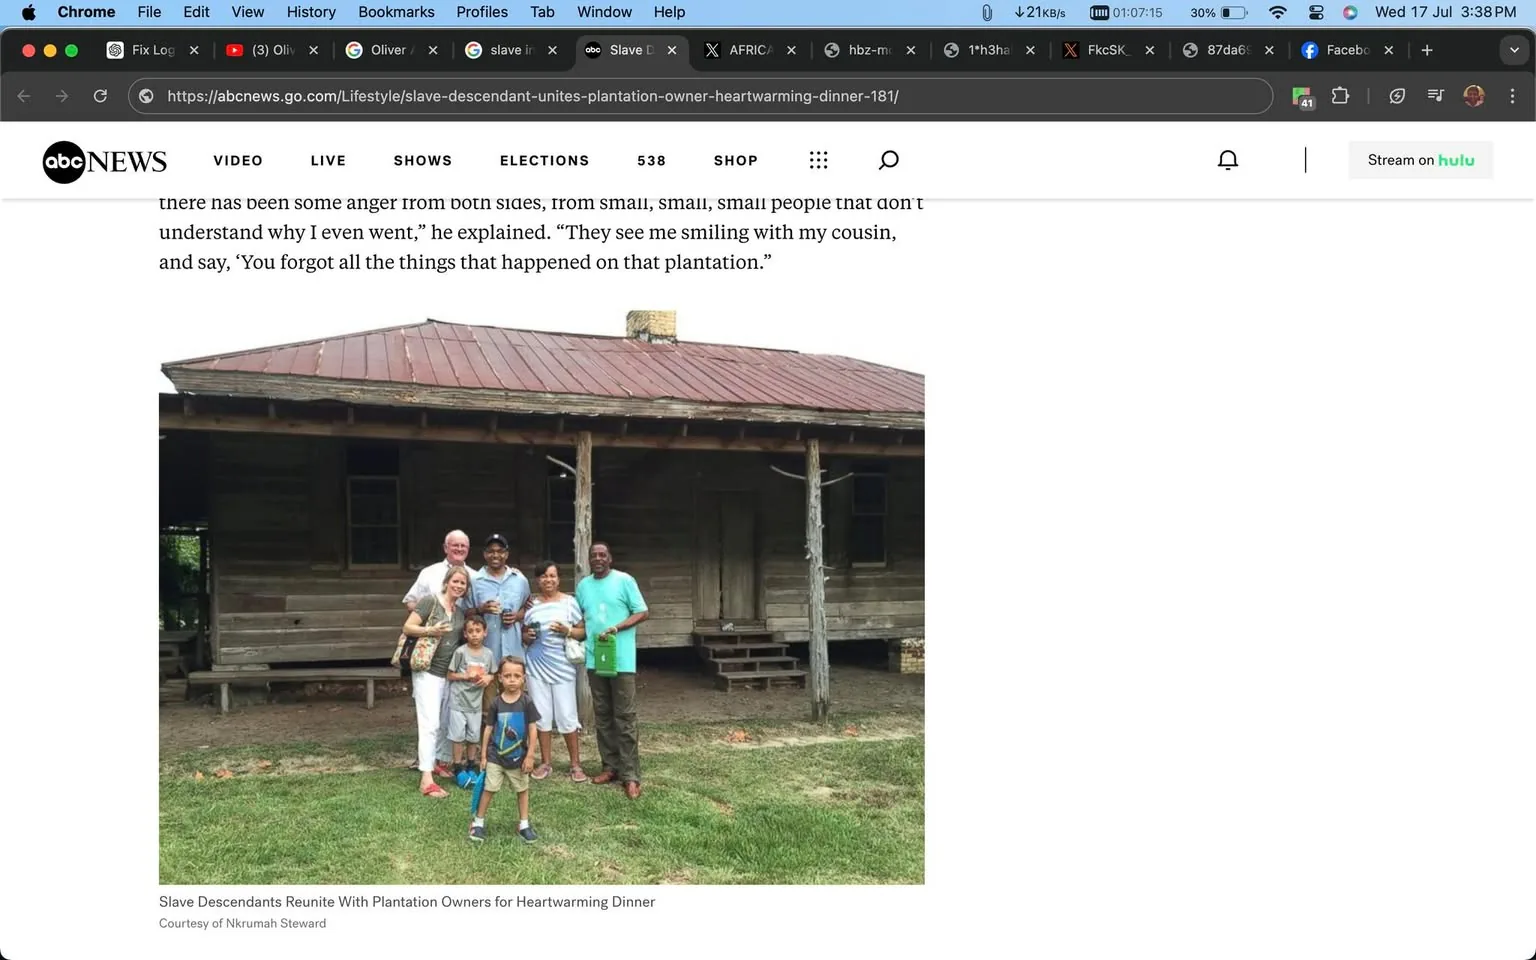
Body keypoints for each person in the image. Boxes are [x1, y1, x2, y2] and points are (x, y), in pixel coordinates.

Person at [400, 530, 478, 777]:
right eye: (454, 545)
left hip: (450, 666)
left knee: (445, 717)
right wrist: (431, 624)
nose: (458, 549)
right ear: (445, 547)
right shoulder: (429, 579)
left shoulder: (461, 603)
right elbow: (409, 612)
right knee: (430, 721)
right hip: (428, 666)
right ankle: (426, 773)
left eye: (463, 546)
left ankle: (438, 761)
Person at [574, 543, 649, 799]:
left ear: (609, 558)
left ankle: (631, 775)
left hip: (622, 660)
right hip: (596, 660)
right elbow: (584, 619)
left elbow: (642, 612)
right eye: (593, 555)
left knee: (625, 716)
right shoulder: (583, 587)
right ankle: (610, 767)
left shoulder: (624, 581)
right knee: (603, 715)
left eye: (602, 555)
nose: (597, 558)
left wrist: (617, 628)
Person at [519, 560, 587, 782]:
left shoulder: (570, 603)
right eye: (543, 576)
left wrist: (568, 630)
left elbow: (582, 632)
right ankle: (546, 762)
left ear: (559, 579)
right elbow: (525, 634)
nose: (548, 580)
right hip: (536, 667)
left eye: (552, 576)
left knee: (567, 715)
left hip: (563, 668)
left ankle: (575, 764)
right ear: (537, 580)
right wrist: (526, 637)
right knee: (542, 716)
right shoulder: (531, 606)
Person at [472, 657, 541, 844]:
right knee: (489, 789)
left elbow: (533, 729)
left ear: (523, 678)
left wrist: (530, 755)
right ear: (500, 678)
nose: (512, 679)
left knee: (522, 789)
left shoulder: (527, 702)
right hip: (496, 757)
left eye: (516, 676)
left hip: (518, 758)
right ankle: (478, 823)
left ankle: (524, 825)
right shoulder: (495, 703)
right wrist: (484, 755)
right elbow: (488, 729)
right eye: (507, 675)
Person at [446, 614, 496, 781]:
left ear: (485, 633)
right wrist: (466, 676)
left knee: (474, 735)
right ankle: (458, 767)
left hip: (475, 704)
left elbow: (492, 674)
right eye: (471, 631)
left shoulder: (488, 654)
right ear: (465, 634)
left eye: (478, 631)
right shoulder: (460, 652)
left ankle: (471, 765)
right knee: (458, 735)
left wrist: (489, 678)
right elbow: (450, 675)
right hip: (458, 701)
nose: (475, 634)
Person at [469, 534, 531, 666]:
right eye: (491, 551)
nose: (495, 555)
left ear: (507, 554)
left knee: (513, 686)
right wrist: (481, 609)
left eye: (500, 551)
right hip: (485, 651)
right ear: (485, 554)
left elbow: (528, 608)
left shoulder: (520, 580)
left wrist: (517, 616)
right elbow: (465, 612)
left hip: (514, 651)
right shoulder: (475, 581)